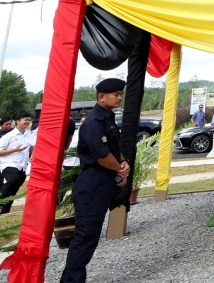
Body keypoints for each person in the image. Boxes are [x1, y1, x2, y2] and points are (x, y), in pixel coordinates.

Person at [60, 78, 130, 283]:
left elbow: (114, 150)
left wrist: (123, 163)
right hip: (92, 183)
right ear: (101, 97)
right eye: (115, 94)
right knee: (85, 237)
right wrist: (120, 170)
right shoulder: (93, 122)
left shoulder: (107, 118)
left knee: (90, 236)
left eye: (120, 94)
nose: (119, 98)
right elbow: (100, 156)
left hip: (103, 180)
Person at [0, 114, 32, 216]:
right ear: (17, 121)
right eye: (25, 120)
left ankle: (5, 209)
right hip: (9, 164)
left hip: (22, 165)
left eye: (29, 120)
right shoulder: (8, 136)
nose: (27, 122)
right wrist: (15, 150)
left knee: (15, 187)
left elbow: (30, 148)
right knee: (13, 179)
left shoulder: (29, 135)